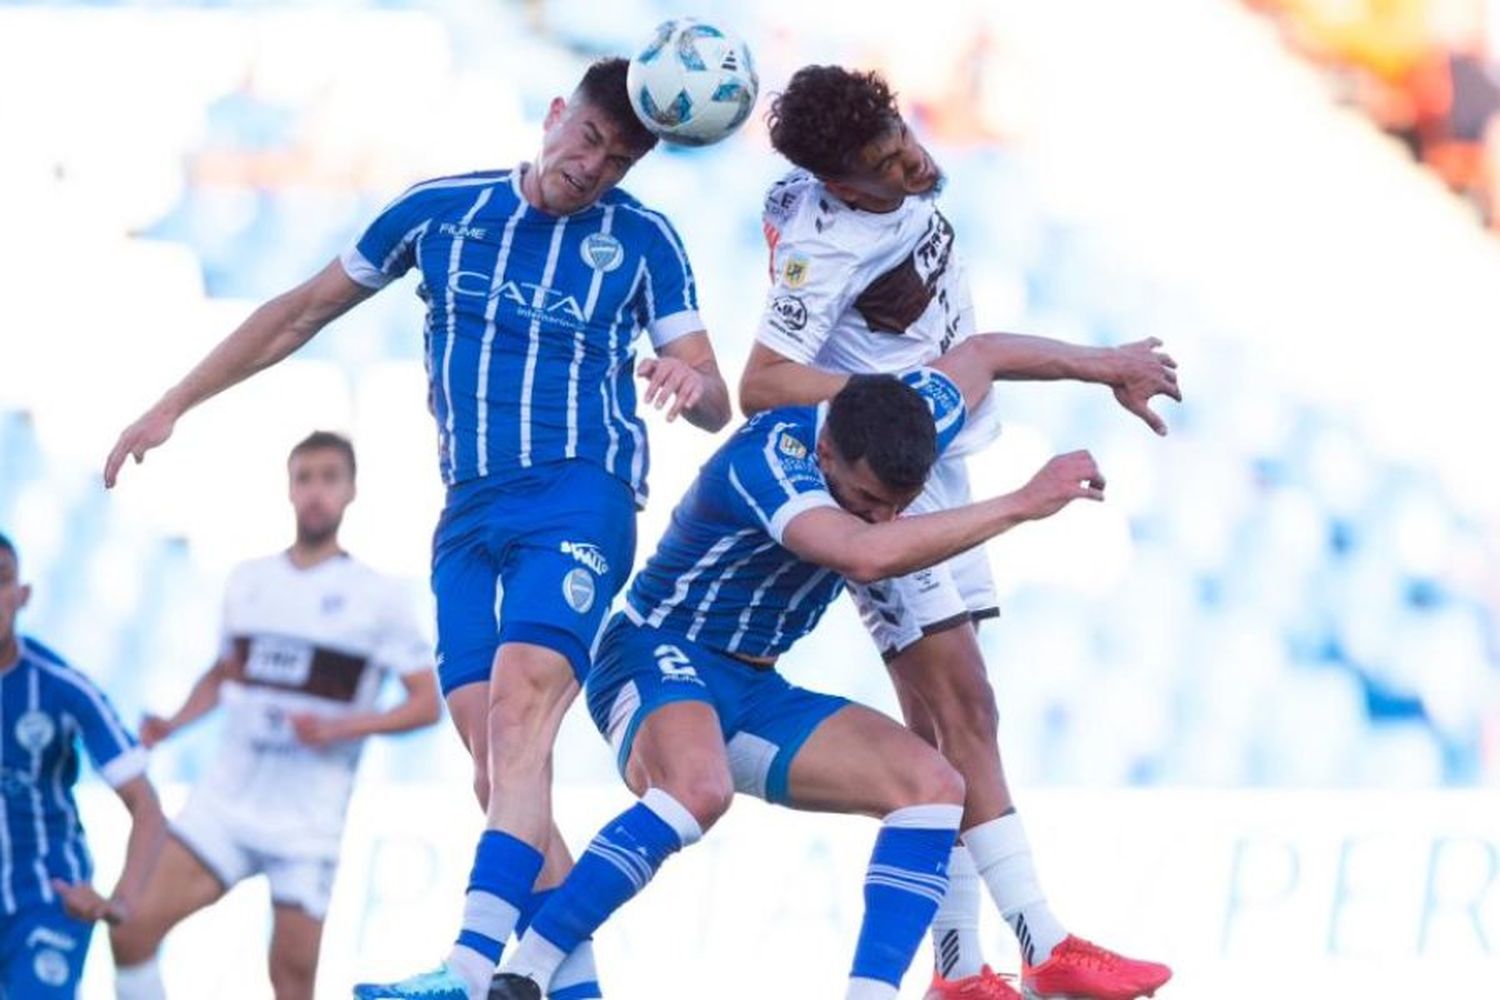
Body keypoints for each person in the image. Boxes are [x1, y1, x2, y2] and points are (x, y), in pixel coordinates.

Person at [104, 56, 731, 1000]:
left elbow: (716, 392)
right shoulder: (442, 212)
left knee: (522, 715)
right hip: (468, 513)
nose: (596, 167)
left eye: (620, 160)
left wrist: (694, 384)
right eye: (591, 140)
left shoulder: (643, 241)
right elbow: (302, 310)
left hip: (578, 496)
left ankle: (471, 971)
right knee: (496, 771)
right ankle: (572, 987)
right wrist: (174, 403)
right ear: (557, 115)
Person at [487, 336, 1111, 1000]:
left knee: (934, 786)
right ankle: (528, 967)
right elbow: (863, 553)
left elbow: (982, 356)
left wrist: (1112, 364)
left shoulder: (897, 418)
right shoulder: (769, 457)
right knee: (699, 788)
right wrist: (1022, 502)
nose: (886, 515)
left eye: (899, 502)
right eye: (869, 498)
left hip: (754, 685)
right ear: (824, 455)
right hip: (654, 653)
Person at [740, 64, 1178, 1000]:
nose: (910, 156)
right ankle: (1043, 945)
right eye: (882, 161)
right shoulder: (820, 247)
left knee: (947, 725)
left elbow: (966, 355)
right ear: (840, 184)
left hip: (941, 460)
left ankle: (960, 970)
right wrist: (893, 398)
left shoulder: (862, 181)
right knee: (963, 709)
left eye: (898, 132)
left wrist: (1102, 364)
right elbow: (763, 383)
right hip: (889, 483)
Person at [107, 432, 439, 1000]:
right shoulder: (248, 581)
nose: (316, 492)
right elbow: (225, 673)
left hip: (307, 822)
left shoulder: (378, 597)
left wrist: (342, 726)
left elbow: (425, 703)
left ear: (351, 490)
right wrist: (174, 723)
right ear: (289, 489)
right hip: (226, 805)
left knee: (290, 984)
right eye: (305, 477)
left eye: (329, 478)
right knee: (130, 928)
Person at [0, 531, 167, 998]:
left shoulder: (62, 689)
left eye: (1, 579)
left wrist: (121, 903)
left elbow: (147, 807)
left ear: (22, 594)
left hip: (48, 897)